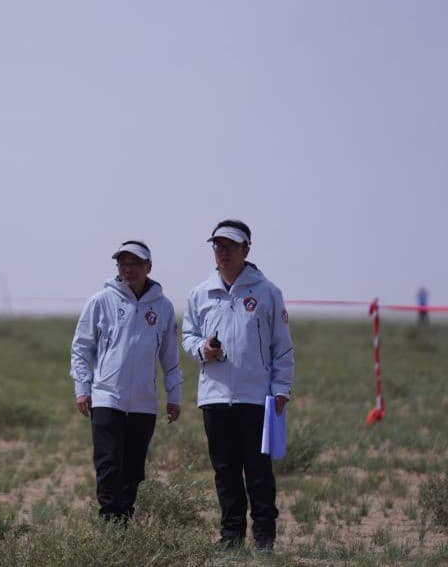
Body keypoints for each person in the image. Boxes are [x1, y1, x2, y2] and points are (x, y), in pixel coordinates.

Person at [181, 219, 294, 552]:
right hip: (214, 398)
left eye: (230, 246)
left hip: (256, 398)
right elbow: (187, 336)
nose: (223, 252)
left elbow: (282, 347)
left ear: (247, 249)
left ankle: (264, 538)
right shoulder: (199, 293)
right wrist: (204, 350)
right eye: (218, 246)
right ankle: (231, 538)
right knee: (225, 472)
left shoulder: (267, 292)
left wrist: (282, 389)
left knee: (258, 473)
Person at [71, 240, 183, 523]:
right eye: (123, 264)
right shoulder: (100, 301)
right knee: (108, 464)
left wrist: (174, 396)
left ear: (149, 267)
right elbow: (81, 348)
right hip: (107, 396)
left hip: (144, 402)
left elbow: (170, 357)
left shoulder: (164, 307)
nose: (128, 270)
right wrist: (83, 389)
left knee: (133, 469)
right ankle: (110, 524)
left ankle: (125, 522)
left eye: (135, 264)